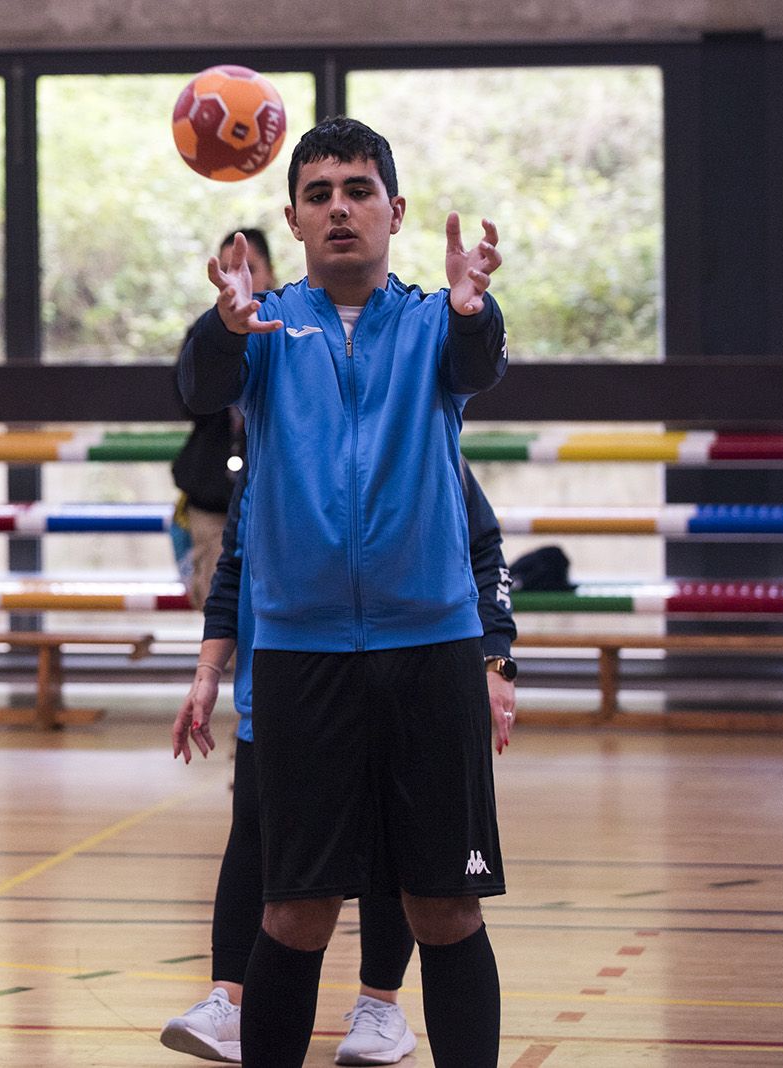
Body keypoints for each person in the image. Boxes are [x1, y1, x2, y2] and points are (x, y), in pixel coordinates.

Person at [177, 117, 508, 1067]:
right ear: (293, 218)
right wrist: (223, 322)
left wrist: (472, 305)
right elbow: (198, 382)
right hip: (301, 656)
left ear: (394, 211)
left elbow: (476, 363)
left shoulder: (432, 324)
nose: (340, 210)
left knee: (443, 907)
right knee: (292, 911)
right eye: (319, 195)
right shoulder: (264, 331)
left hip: (431, 649)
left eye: (358, 191)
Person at [161, 459, 518, 1065]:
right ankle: (229, 995)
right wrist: (208, 671)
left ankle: (380, 1000)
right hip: (292, 678)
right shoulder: (275, 452)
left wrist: (496, 660)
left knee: (427, 887)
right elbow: (234, 567)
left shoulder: (429, 439)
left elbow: (485, 551)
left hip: (420, 667)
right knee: (278, 876)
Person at [170, 229, 276, 609]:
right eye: (229, 269)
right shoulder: (205, 334)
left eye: (250, 267)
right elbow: (189, 401)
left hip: (275, 502)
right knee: (221, 608)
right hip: (213, 499)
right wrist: (224, 341)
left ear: (271, 274)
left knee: (271, 612)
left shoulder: (291, 328)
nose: (240, 276)